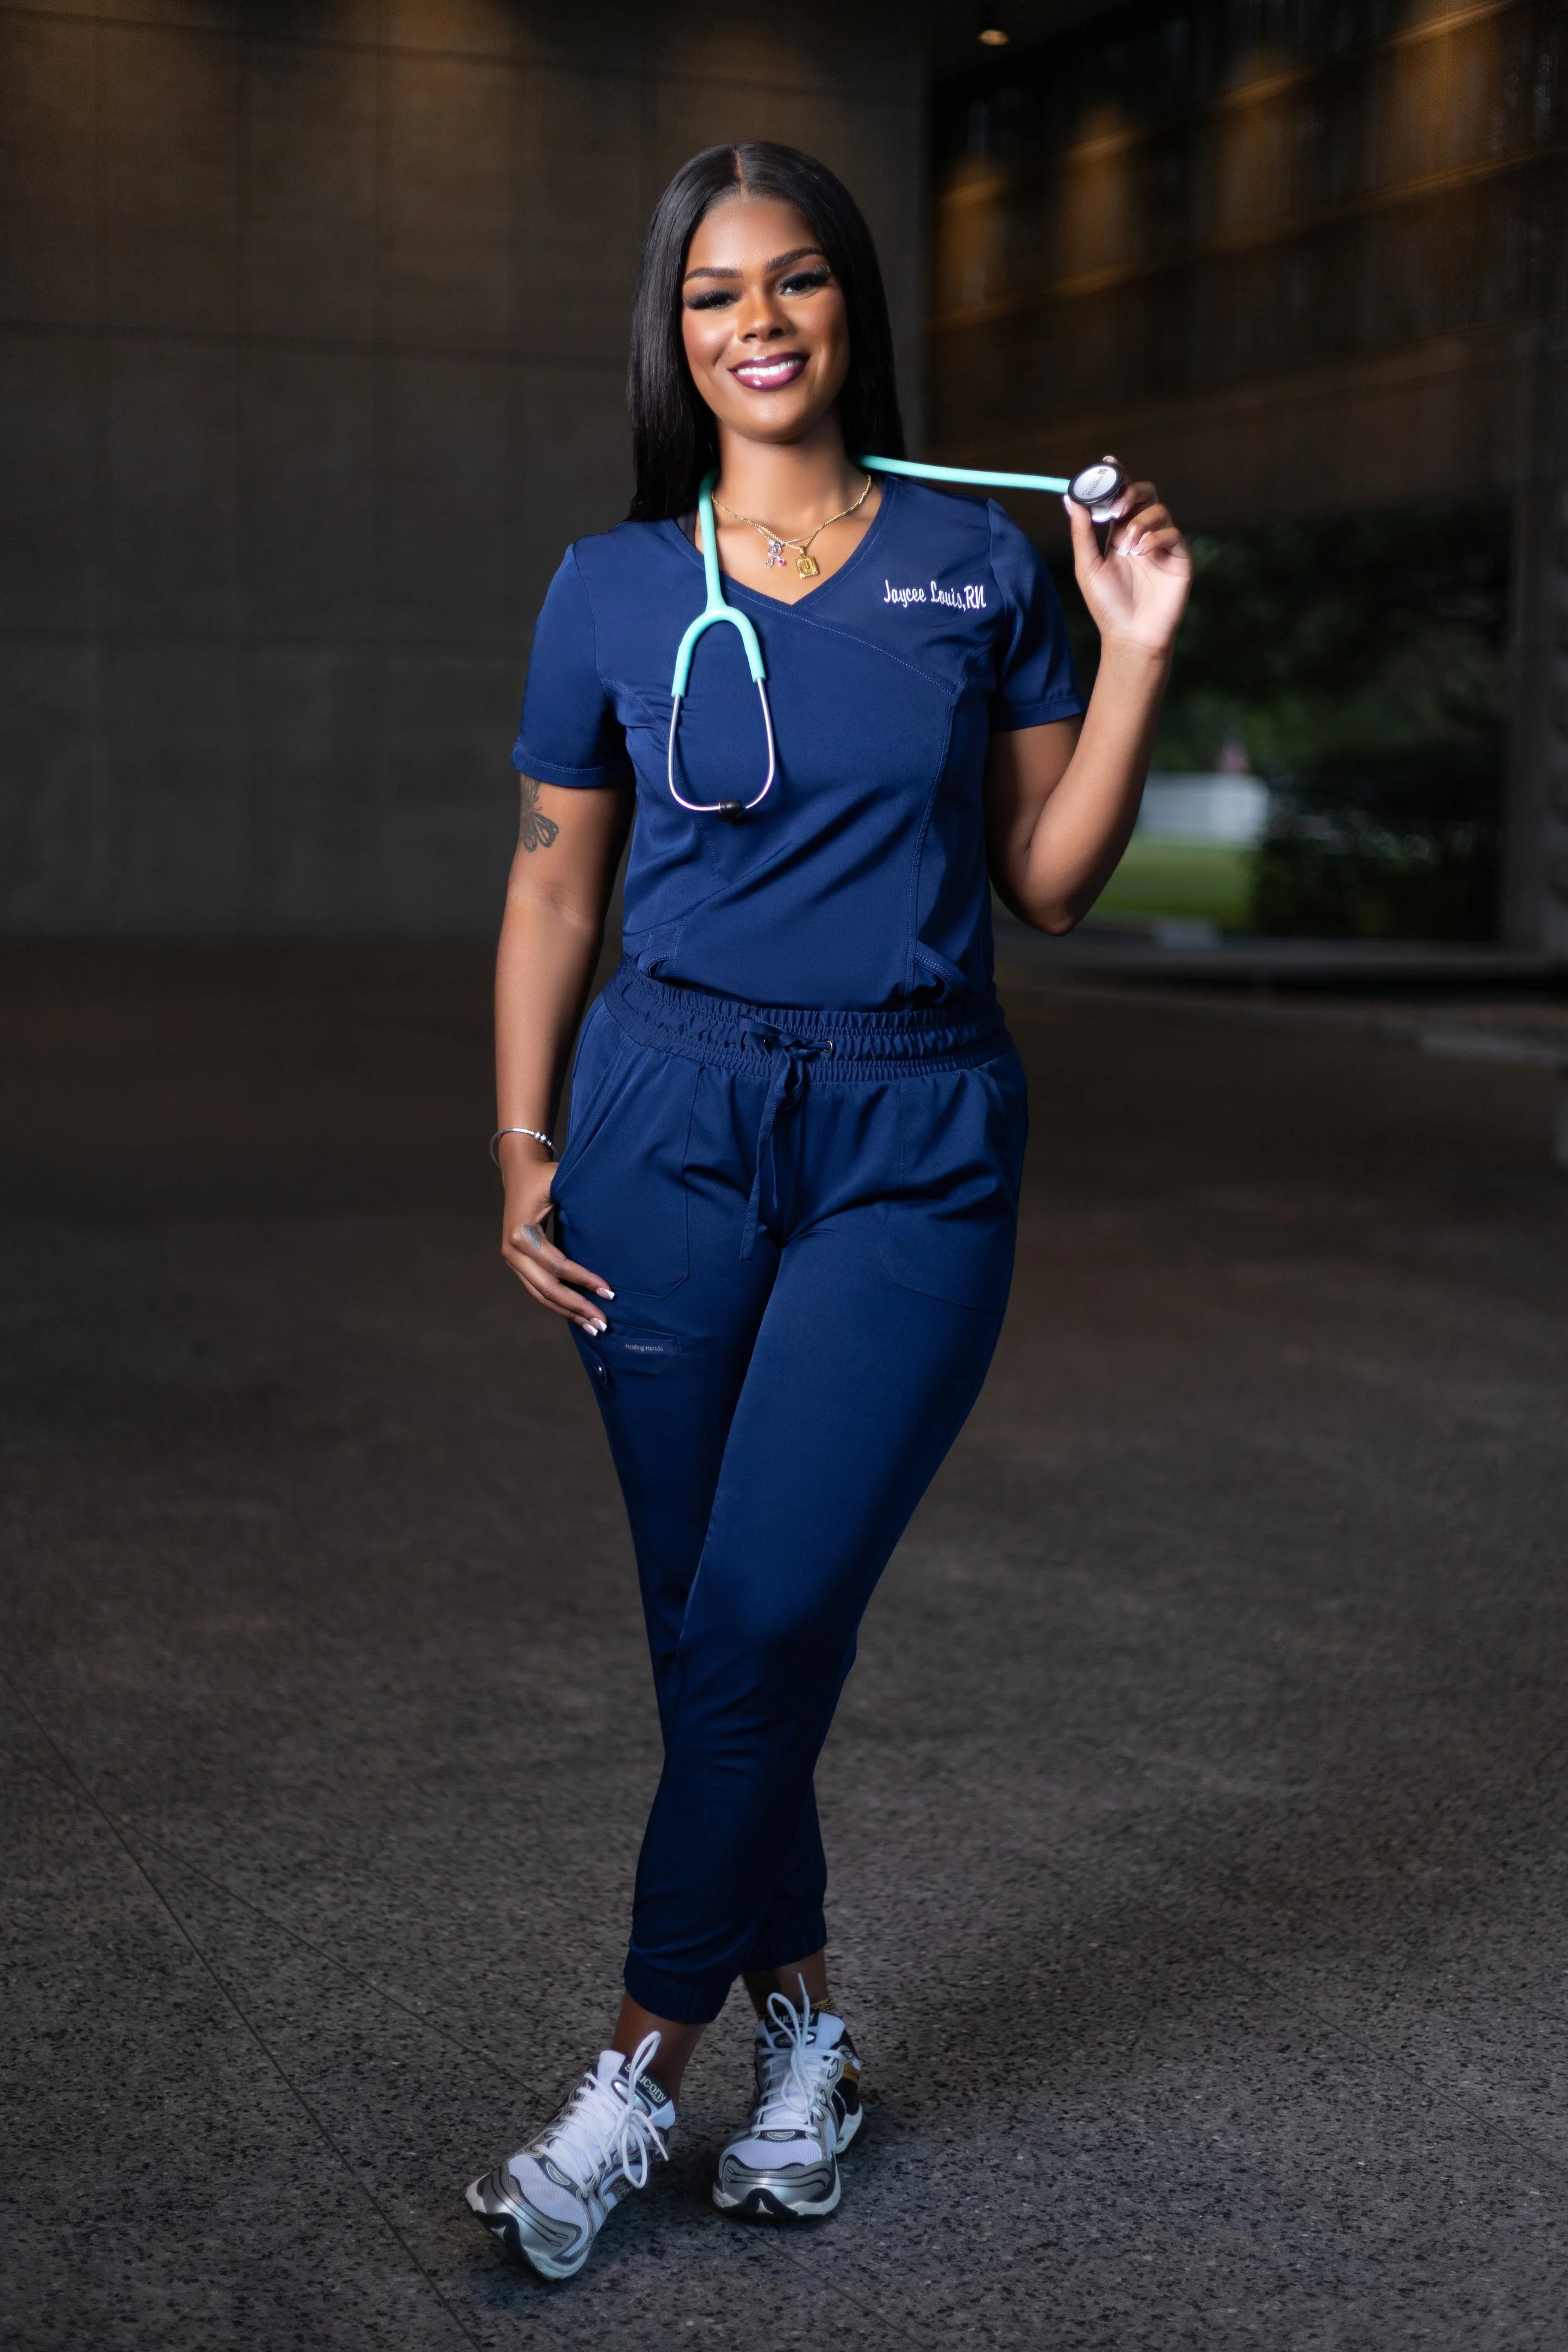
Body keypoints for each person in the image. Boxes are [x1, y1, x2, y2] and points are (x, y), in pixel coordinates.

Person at [466, 140, 1190, 2280]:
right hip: (661, 1125)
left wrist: (1134, 649)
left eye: (792, 280)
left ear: (851, 306)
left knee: (767, 1608)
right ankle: (807, 2041)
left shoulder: (980, 564)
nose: (755, 322)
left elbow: (1047, 883)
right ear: (671, 333)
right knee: (712, 1624)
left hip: (911, 1133)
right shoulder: (610, 584)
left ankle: (630, 2074)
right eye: (712, 293)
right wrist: (520, 1145)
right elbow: (552, 887)